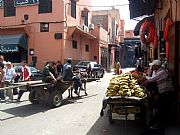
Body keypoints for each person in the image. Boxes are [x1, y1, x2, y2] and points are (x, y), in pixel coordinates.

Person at [143, 59, 174, 129]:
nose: (152, 67)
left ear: (157, 66)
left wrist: (145, 77)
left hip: (166, 92)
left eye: (153, 66)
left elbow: (152, 79)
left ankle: (158, 125)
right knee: (160, 108)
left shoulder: (162, 72)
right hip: (161, 92)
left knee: (161, 109)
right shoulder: (157, 71)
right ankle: (158, 123)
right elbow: (151, 78)